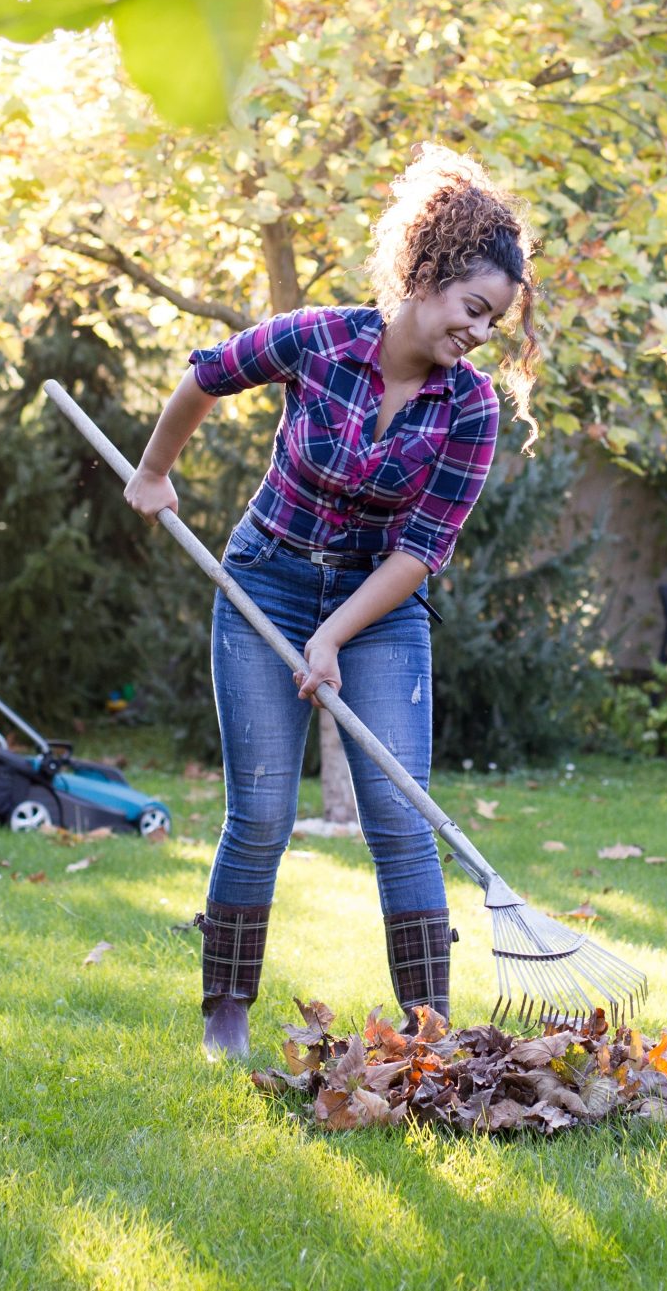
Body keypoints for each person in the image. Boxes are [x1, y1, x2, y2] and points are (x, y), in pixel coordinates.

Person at [122, 145, 541, 1059]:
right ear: (426, 276)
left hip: (378, 605)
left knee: (401, 814)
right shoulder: (318, 339)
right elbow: (209, 372)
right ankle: (225, 1011)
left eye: (495, 320)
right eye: (474, 307)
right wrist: (154, 473)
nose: (480, 331)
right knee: (263, 808)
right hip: (264, 575)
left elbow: (421, 549)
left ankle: (430, 1032)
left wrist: (334, 634)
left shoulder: (470, 408)